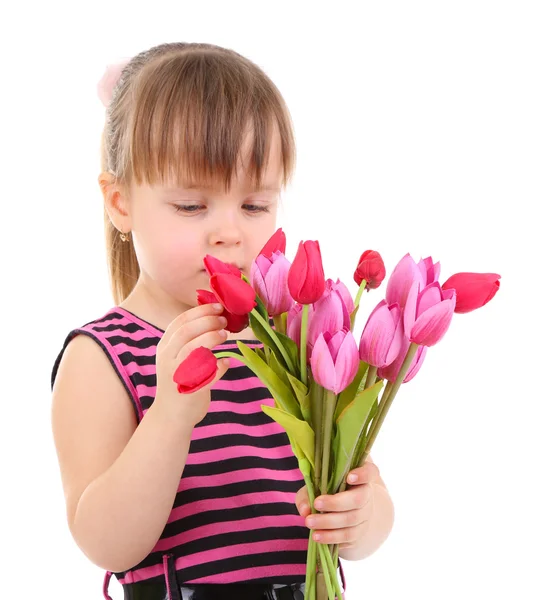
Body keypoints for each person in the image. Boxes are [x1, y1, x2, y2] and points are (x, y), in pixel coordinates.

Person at [51, 42, 392, 600]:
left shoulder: (293, 340)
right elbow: (107, 544)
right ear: (120, 203)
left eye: (255, 205)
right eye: (191, 206)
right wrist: (172, 413)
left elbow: (363, 490)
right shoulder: (104, 356)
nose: (229, 232)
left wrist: (363, 515)